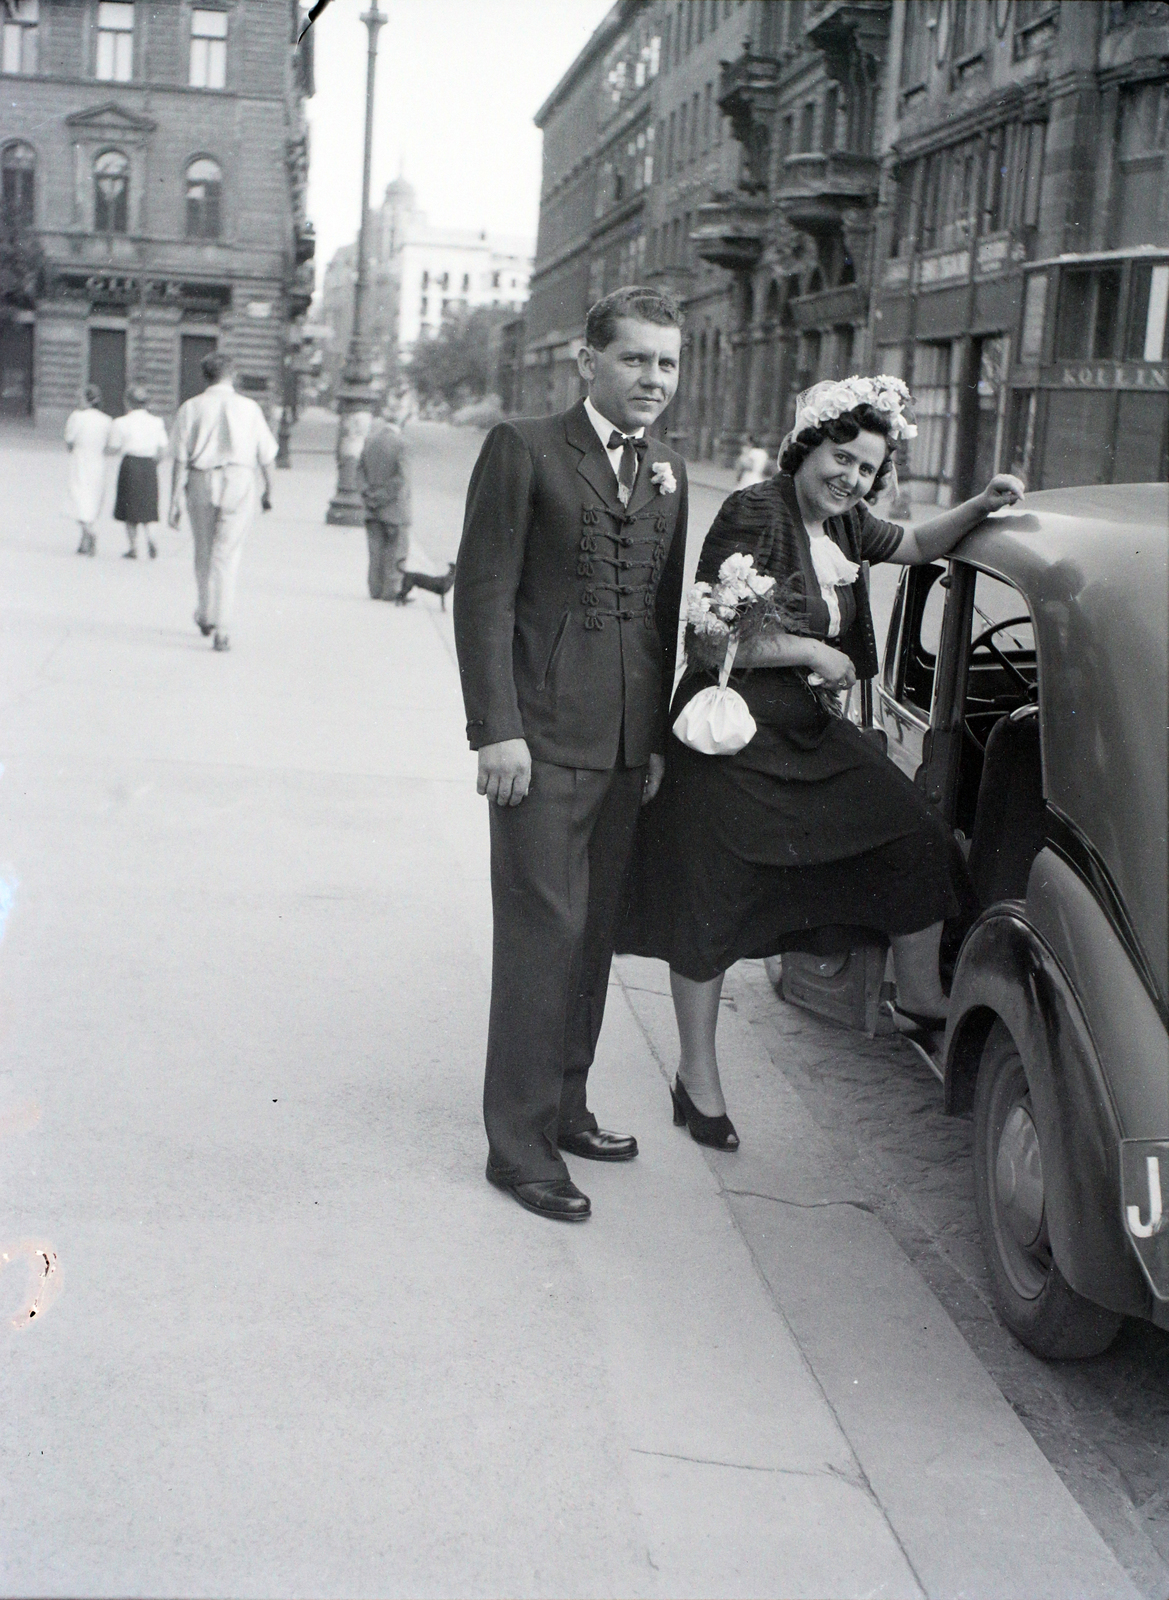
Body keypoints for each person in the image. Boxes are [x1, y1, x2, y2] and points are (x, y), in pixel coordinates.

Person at [619, 376, 1025, 1150]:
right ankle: (696, 1080)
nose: (852, 477)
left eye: (867, 468)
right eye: (842, 458)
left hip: (803, 728)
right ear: (807, 448)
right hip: (731, 733)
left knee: (912, 835)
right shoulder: (755, 510)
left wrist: (980, 504)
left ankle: (916, 998)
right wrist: (808, 647)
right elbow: (709, 639)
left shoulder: (845, 524)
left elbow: (910, 546)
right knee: (712, 902)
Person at [453, 286, 689, 1223]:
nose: (652, 379)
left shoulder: (667, 467)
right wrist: (494, 729)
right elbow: (482, 595)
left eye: (667, 363)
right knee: (541, 938)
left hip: (629, 750)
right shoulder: (525, 447)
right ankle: (516, 1147)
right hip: (540, 743)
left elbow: (663, 619)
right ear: (587, 361)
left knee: (592, 936)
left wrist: (659, 735)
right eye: (635, 359)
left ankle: (565, 1105)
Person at [169, 351, 277, 653]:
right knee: (226, 555)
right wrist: (269, 491)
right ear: (233, 375)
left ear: (206, 376)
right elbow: (266, 456)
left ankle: (205, 613)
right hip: (240, 480)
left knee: (203, 550)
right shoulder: (250, 408)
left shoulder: (190, 407)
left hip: (201, 479)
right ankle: (223, 628)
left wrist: (173, 501)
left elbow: (179, 458)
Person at [358, 394, 411, 600]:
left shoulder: (370, 441)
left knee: (375, 550)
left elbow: (359, 471)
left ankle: (375, 589)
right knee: (396, 551)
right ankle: (391, 590)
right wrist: (383, 496)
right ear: (401, 423)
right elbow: (402, 479)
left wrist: (369, 495)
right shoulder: (402, 444)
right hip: (394, 508)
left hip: (371, 507)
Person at [108, 383, 168, 560]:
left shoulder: (120, 422)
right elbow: (163, 450)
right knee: (148, 507)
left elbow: (114, 447)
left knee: (129, 509)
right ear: (146, 403)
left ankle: (133, 547)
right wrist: (154, 463)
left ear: (128, 402)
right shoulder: (157, 422)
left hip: (130, 464)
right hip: (149, 465)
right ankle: (152, 538)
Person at [65, 384, 111, 556]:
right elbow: (109, 444)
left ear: (86, 400)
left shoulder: (77, 416)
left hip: (80, 460)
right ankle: (83, 542)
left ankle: (89, 533)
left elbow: (69, 440)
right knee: (91, 499)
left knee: (77, 498)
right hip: (97, 462)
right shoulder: (106, 419)